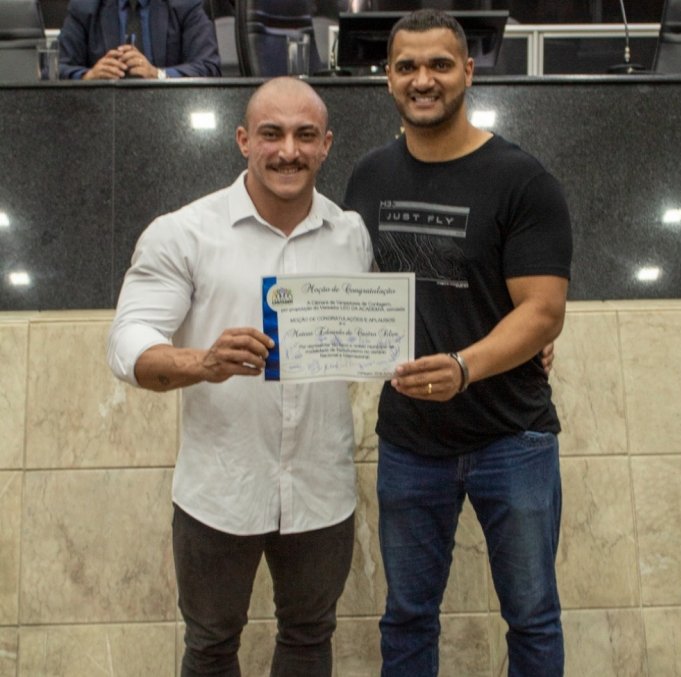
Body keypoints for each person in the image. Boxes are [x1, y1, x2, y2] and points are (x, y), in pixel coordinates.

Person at [107, 77, 372, 676]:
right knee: (210, 645)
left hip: (320, 488)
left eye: (306, 136)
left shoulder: (351, 237)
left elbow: (401, 323)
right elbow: (127, 343)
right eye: (272, 134)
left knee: (310, 637)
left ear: (327, 144)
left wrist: (530, 346)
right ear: (242, 140)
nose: (288, 151)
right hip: (219, 491)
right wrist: (203, 362)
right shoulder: (184, 232)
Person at [343, 9, 573, 677]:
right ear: (387, 78)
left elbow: (542, 310)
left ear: (469, 71)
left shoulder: (522, 179)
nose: (423, 79)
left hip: (513, 436)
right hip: (411, 440)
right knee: (407, 615)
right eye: (407, 66)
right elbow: (356, 292)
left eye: (440, 64)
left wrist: (467, 365)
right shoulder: (367, 177)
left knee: (531, 615)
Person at [58, 0, 221, 80]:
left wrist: (159, 75)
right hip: (101, 116)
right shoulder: (85, 6)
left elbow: (209, 67)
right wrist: (88, 76)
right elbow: (53, 69)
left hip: (170, 112)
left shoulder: (184, 4)